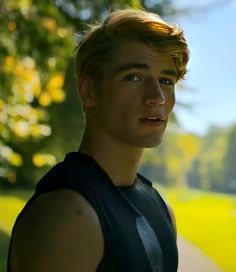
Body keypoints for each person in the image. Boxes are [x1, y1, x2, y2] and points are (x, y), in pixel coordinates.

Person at [8, 7, 189, 272]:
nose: (157, 97)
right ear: (88, 90)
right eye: (134, 77)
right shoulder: (67, 215)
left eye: (166, 80)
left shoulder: (161, 208)